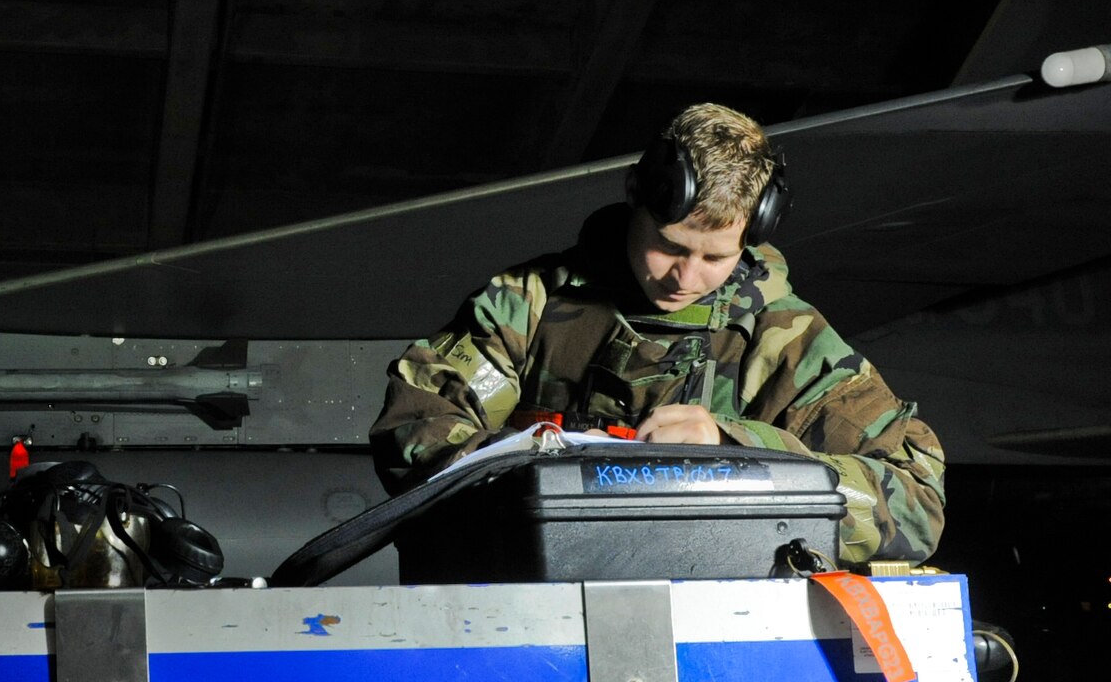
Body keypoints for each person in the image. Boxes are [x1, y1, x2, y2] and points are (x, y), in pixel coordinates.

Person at [368, 103, 945, 565]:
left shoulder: (783, 336)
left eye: (716, 257)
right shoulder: (528, 304)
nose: (684, 277)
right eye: (669, 245)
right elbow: (416, 426)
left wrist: (736, 450)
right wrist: (549, 477)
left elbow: (917, 503)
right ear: (632, 195)